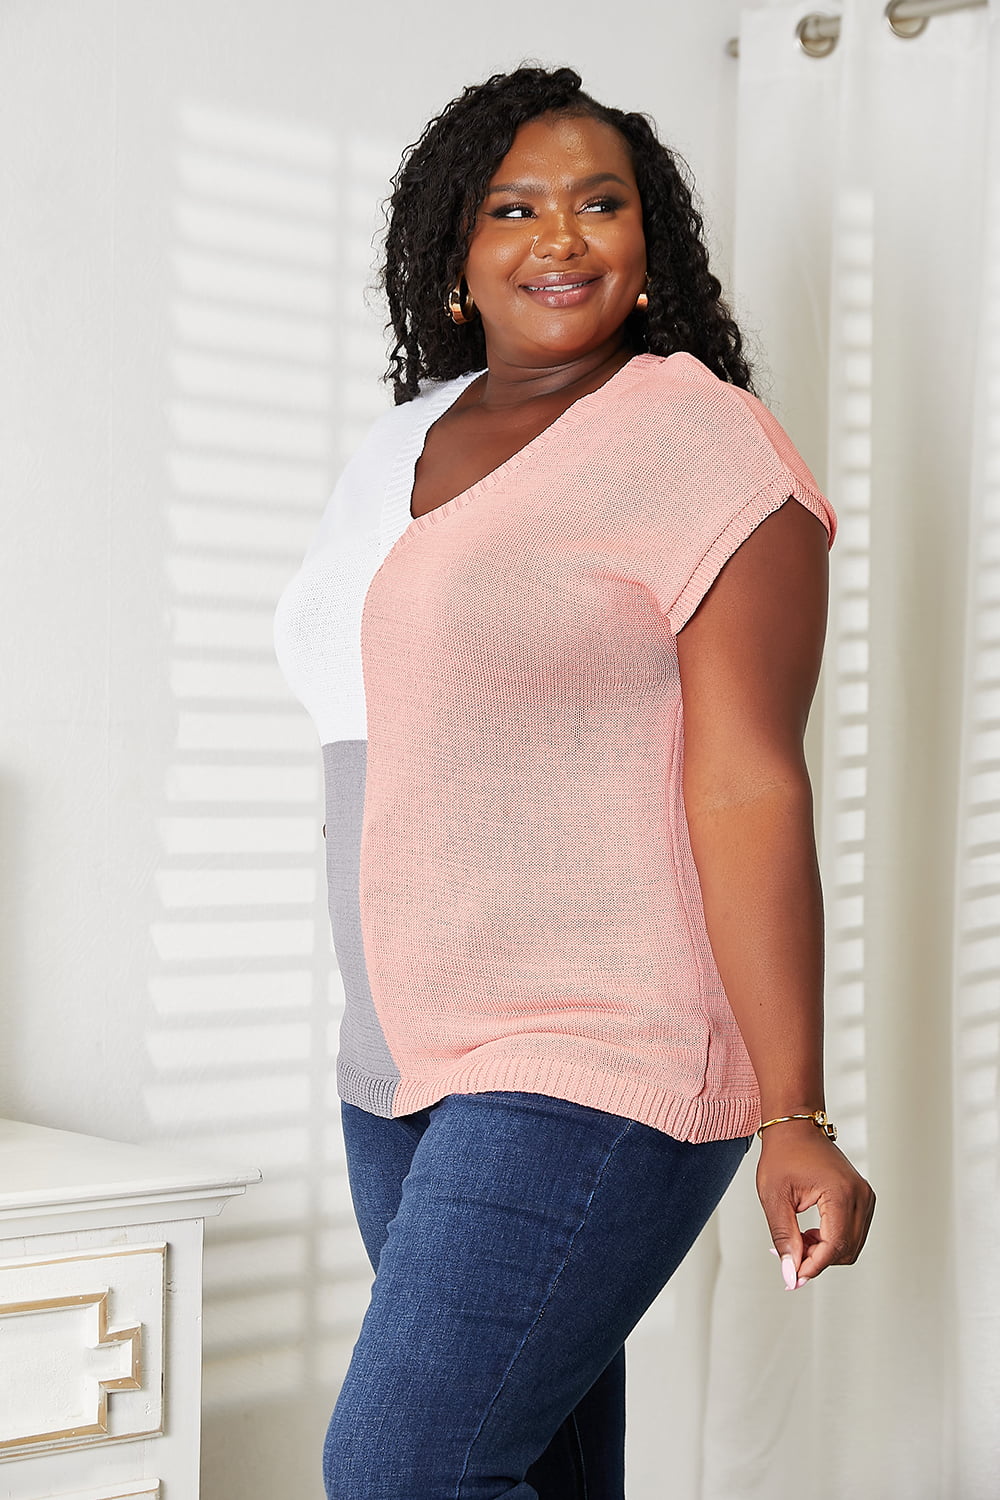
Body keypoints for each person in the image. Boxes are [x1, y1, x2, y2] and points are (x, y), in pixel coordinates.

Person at [273, 62, 876, 1500]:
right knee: (528, 1467)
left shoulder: (700, 441)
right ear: (454, 254)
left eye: (602, 203)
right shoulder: (400, 444)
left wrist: (796, 1114)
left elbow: (747, 783)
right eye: (515, 208)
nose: (563, 238)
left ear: (650, 241)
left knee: (403, 1468)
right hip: (401, 1060)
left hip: (603, 1042)